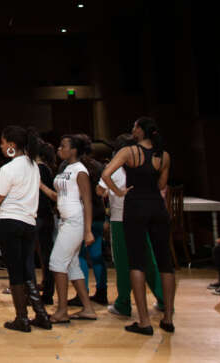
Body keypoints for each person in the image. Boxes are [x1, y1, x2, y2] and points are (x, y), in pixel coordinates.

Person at [101, 117, 177, 335]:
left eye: (134, 126)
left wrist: (118, 192)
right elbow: (162, 185)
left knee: (136, 262)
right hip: (157, 207)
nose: (132, 129)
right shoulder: (164, 155)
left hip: (135, 207)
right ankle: (168, 318)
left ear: (140, 131)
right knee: (165, 263)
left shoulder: (129, 152)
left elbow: (106, 174)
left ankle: (144, 321)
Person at [0, 126, 53, 332]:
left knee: (15, 272)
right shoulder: (34, 167)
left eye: (2, 142)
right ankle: (42, 315)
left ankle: (22, 318)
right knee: (28, 270)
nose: (1, 146)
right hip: (29, 222)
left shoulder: (8, 169)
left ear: (11, 145)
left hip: (10, 221)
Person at [39, 134, 99, 323]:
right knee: (72, 265)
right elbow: (60, 196)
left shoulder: (80, 170)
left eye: (63, 146)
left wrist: (88, 230)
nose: (59, 149)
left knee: (57, 263)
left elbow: (87, 201)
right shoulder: (66, 168)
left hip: (75, 220)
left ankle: (62, 310)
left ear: (73, 150)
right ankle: (88, 308)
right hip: (66, 220)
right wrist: (40, 185)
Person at [74, 137, 108, 306]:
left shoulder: (75, 168)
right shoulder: (98, 166)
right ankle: (102, 292)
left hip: (82, 214)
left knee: (80, 255)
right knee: (97, 256)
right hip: (99, 213)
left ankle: (83, 293)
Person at [33, 137, 58, 307]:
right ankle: (46, 288)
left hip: (40, 216)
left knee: (45, 256)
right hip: (44, 215)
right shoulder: (44, 169)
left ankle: (47, 294)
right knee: (44, 255)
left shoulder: (39, 169)